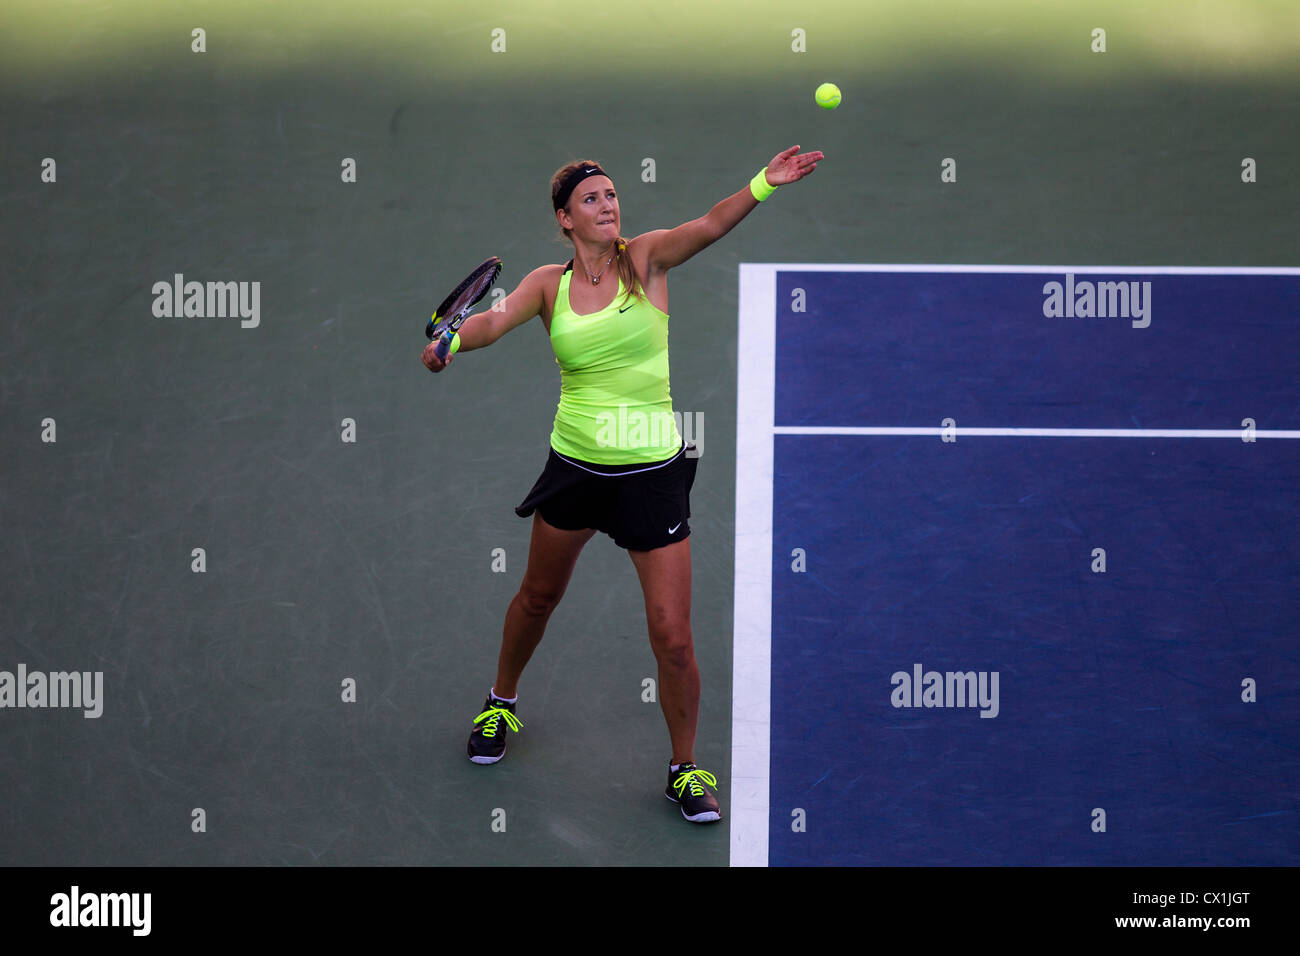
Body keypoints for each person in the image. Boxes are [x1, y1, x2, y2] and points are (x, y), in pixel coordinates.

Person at [422, 145, 824, 823]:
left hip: (651, 478)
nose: (608, 205)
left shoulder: (647, 260)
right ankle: (502, 702)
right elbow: (492, 320)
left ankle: (684, 767)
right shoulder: (548, 283)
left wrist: (763, 182)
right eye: (592, 199)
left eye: (611, 195)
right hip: (575, 468)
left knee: (672, 637)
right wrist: (452, 343)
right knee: (538, 597)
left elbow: (709, 224)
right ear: (565, 218)